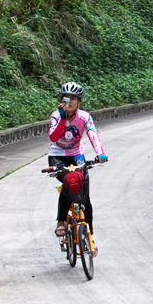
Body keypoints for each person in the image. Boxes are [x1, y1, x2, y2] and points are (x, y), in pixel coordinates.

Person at [48, 82, 108, 254]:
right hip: (57, 155)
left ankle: (89, 237)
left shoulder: (84, 117)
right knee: (69, 181)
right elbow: (53, 138)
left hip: (76, 155)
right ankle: (61, 221)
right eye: (66, 98)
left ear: (79, 102)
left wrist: (100, 153)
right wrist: (62, 119)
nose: (69, 102)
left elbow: (92, 133)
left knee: (84, 196)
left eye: (73, 99)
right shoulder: (56, 116)